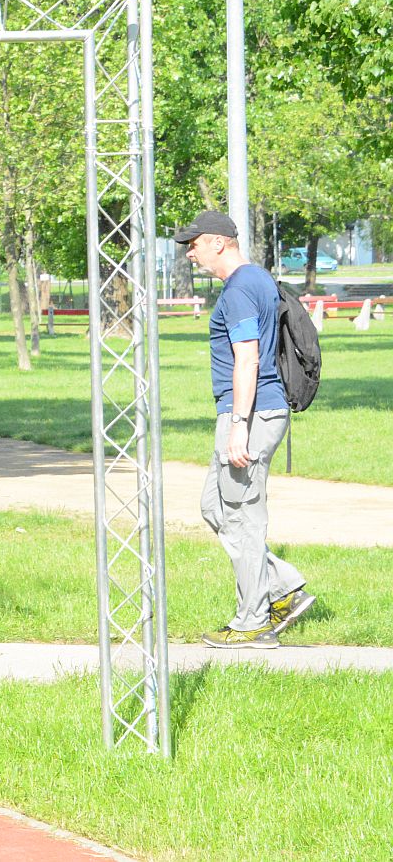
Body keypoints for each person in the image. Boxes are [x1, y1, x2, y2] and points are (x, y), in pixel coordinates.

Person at [176, 210, 315, 647]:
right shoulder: (258, 279)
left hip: (251, 415)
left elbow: (248, 358)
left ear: (218, 242)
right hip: (258, 412)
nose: (190, 254)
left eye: (193, 244)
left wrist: (239, 425)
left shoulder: (238, 291)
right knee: (215, 507)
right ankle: (283, 587)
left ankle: (253, 621)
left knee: (242, 518)